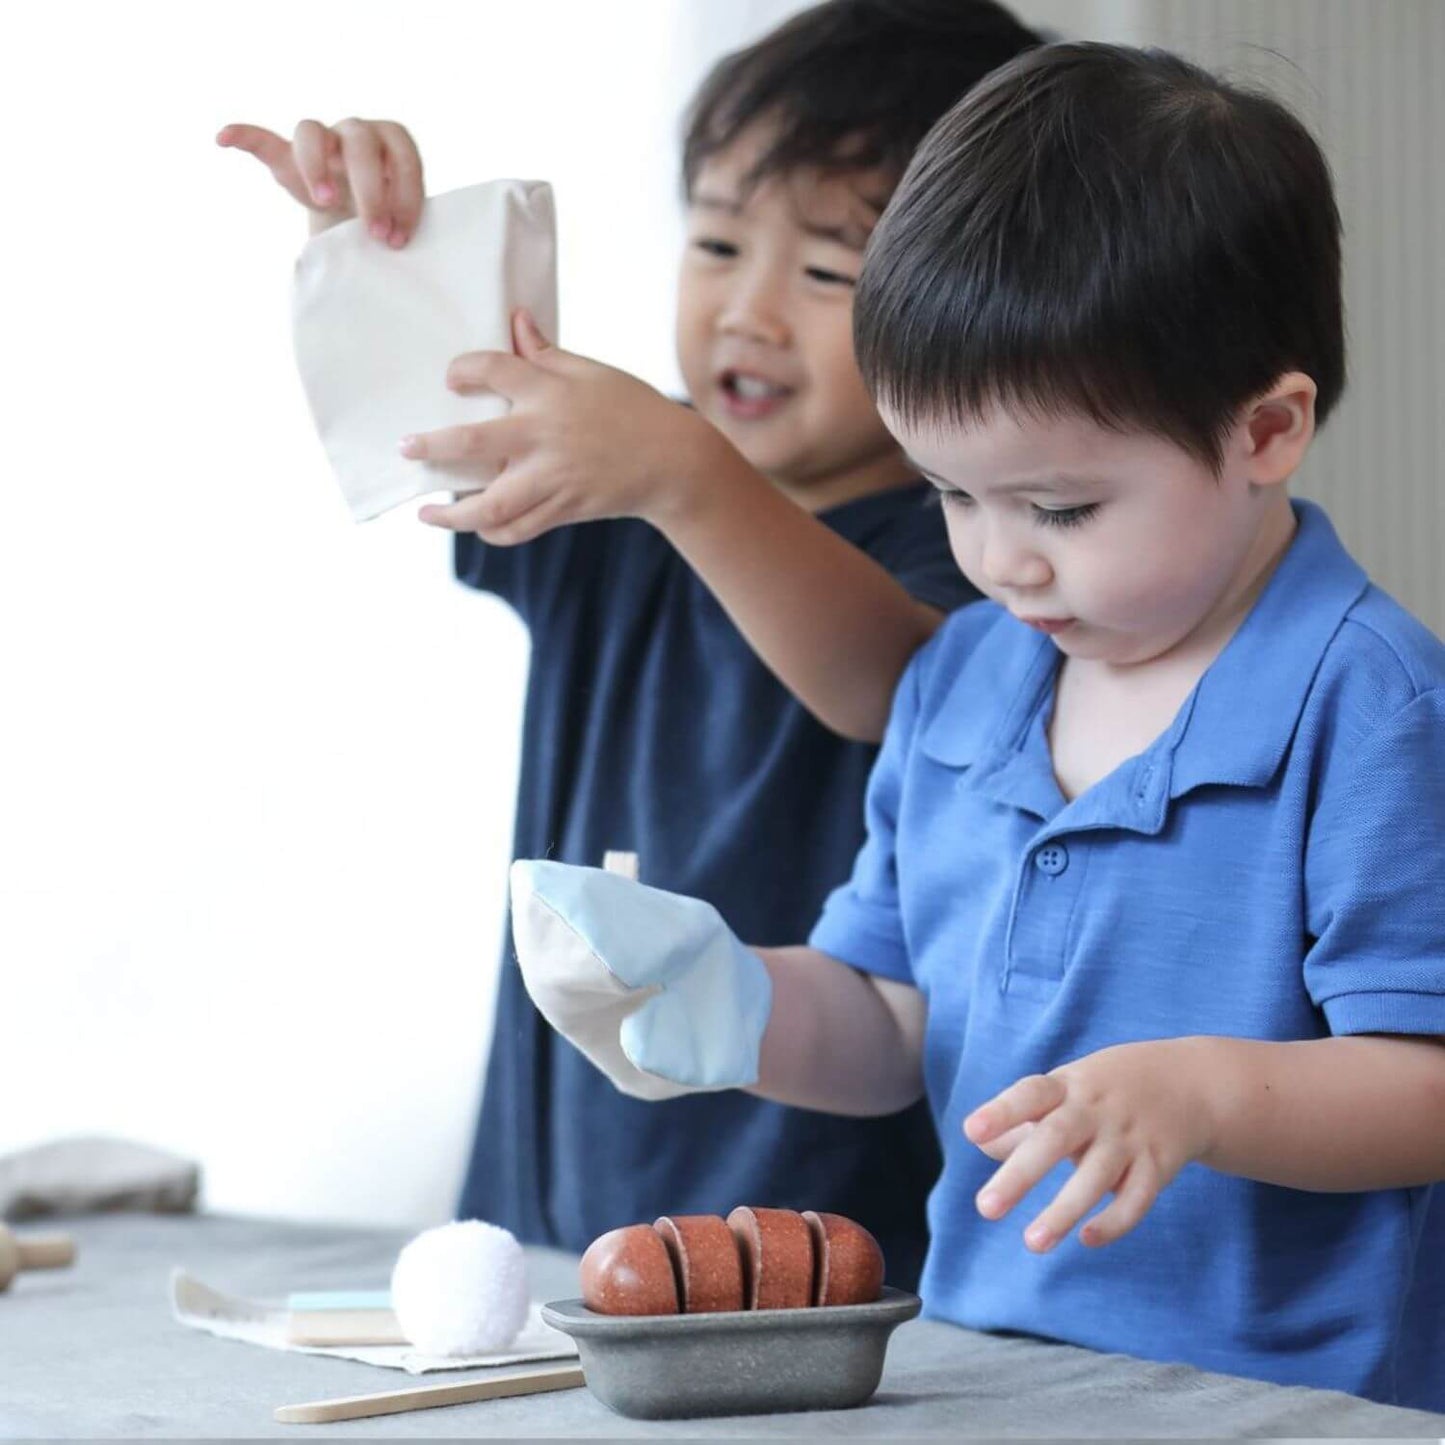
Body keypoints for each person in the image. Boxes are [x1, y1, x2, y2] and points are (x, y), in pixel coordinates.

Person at [508, 43, 1445, 1409]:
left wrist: (1203, 1095)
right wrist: (729, 1000)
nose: (1000, 560)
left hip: (1292, 1398)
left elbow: (1422, 1083)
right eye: (950, 492)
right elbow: (893, 1024)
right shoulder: (961, 681)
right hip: (992, 1374)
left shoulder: (1368, 706)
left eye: (1058, 508)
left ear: (1264, 428)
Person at [218, 0, 1043, 1288]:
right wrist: (370, 255)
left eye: (828, 270)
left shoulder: (980, 544)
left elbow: (899, 685)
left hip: (806, 1223)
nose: (749, 312)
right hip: (546, 1193)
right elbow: (433, 404)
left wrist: (684, 476)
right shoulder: (631, 482)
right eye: (717, 241)